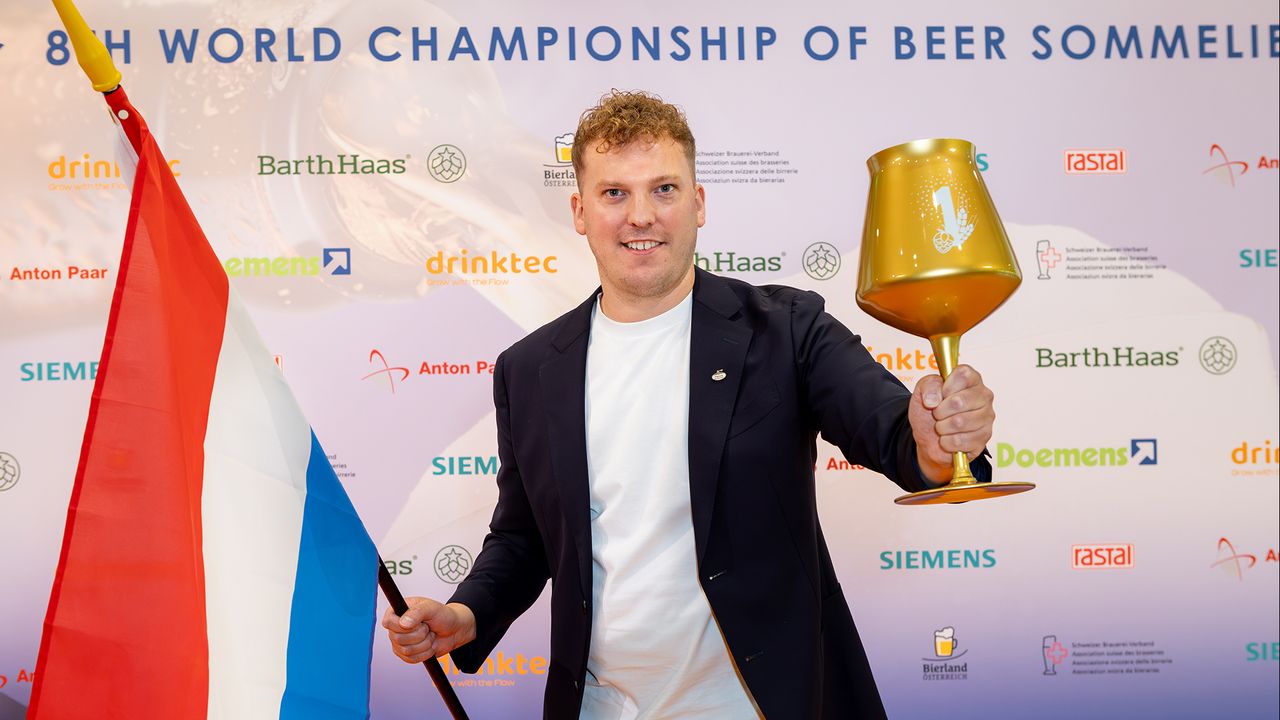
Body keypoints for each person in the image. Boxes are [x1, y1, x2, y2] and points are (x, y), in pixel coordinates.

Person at [383, 90, 997, 719]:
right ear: (580, 210)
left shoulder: (786, 328)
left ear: (698, 203)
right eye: (614, 193)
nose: (640, 216)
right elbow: (524, 536)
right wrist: (466, 612)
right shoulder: (530, 369)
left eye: (665, 190)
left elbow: (891, 430)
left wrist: (935, 438)